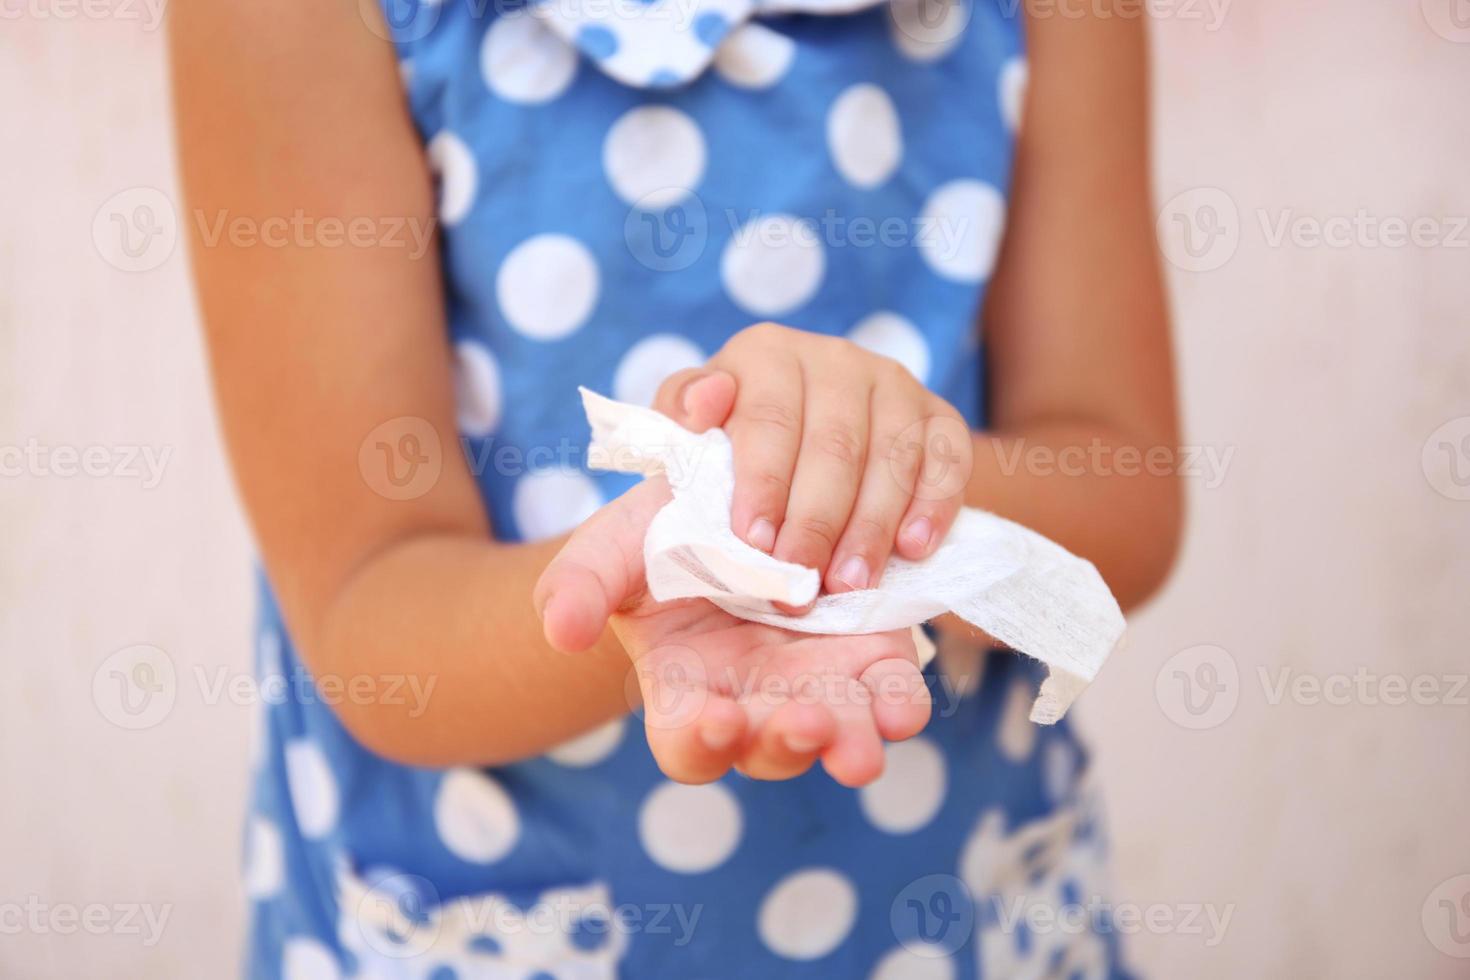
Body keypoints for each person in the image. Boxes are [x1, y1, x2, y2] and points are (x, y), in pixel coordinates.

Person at [170, 0, 1181, 974]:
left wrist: (881, 478)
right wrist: (674, 563)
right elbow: (368, 596)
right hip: (487, 909)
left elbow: (1125, 492)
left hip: (962, 906)